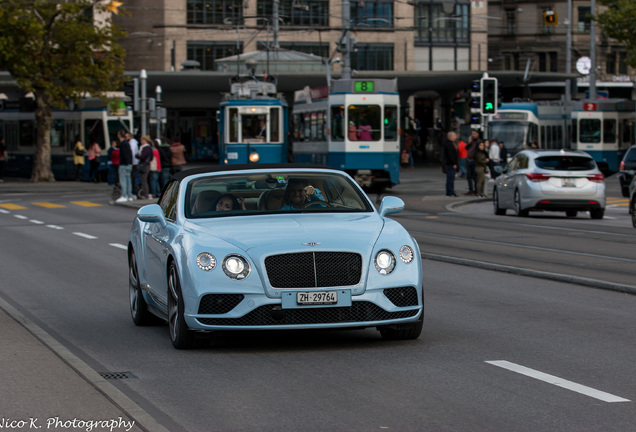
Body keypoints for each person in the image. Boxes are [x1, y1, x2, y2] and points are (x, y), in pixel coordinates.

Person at [116, 130, 133, 203]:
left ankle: (124, 195)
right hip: (129, 165)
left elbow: (124, 154)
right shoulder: (127, 143)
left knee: (123, 180)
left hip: (123, 164)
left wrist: (125, 162)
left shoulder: (122, 144)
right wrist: (130, 163)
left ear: (119, 135)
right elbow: (129, 153)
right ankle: (129, 195)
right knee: (128, 180)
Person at [442, 131, 459, 197]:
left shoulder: (450, 144)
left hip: (449, 163)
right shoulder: (449, 144)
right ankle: (450, 191)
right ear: (450, 137)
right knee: (450, 178)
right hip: (450, 164)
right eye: (454, 136)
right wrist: (454, 163)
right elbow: (450, 155)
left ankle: (450, 191)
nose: (455, 137)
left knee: (451, 178)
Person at [137, 135, 154, 199]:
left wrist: (137, 156)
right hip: (147, 164)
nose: (141, 141)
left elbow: (142, 157)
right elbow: (151, 157)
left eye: (142, 140)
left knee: (144, 180)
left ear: (145, 141)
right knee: (146, 179)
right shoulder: (149, 148)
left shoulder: (145, 148)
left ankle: (146, 194)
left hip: (144, 165)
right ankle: (147, 193)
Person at [465, 129, 481, 195]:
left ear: (477, 134)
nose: (473, 135)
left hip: (474, 160)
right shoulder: (472, 142)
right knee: (469, 176)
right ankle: (470, 189)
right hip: (469, 160)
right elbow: (466, 147)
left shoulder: (479, 142)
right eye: (472, 134)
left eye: (474, 134)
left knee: (475, 176)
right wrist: (469, 142)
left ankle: (476, 190)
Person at [126, 132, 140, 196]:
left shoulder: (132, 143)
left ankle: (134, 191)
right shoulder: (134, 143)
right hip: (134, 162)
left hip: (133, 162)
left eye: (126, 136)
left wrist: (130, 162)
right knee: (133, 177)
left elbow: (131, 153)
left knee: (132, 177)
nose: (125, 138)